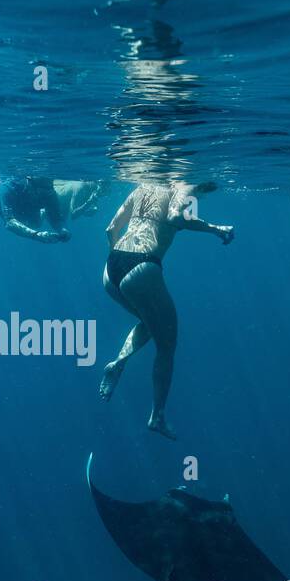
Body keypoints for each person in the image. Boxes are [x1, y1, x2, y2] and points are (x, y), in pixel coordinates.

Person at [99, 182, 234, 439]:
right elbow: (175, 216)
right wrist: (216, 229)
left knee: (151, 323)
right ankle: (157, 416)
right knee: (167, 346)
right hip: (141, 266)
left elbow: (111, 229)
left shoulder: (143, 185)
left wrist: (120, 260)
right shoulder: (185, 183)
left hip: (111, 267)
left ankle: (119, 363)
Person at [0, 175, 71, 243]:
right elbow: (9, 222)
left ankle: (41, 213)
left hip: (25, 204)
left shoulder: (49, 191)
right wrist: (36, 235)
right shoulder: (7, 187)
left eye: (48, 188)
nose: (45, 193)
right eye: (41, 189)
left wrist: (62, 230)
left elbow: (56, 219)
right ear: (29, 182)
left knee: (35, 224)